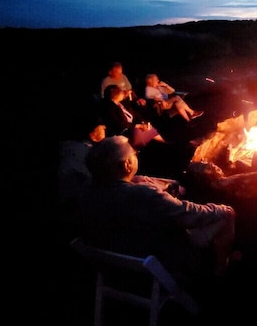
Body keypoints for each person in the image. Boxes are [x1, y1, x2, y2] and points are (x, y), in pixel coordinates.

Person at [76, 135, 239, 290]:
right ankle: (218, 275)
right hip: (158, 262)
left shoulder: (86, 190)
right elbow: (188, 214)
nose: (136, 157)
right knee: (226, 214)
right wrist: (219, 208)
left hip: (115, 265)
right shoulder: (142, 196)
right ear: (126, 165)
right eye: (134, 154)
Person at [97, 84, 166, 149]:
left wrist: (142, 122)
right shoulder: (110, 108)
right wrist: (139, 126)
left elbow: (134, 113)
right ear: (115, 95)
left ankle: (163, 143)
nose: (123, 94)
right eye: (121, 93)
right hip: (124, 130)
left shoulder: (121, 103)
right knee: (139, 132)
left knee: (149, 127)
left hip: (133, 125)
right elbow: (121, 124)